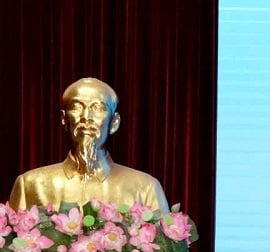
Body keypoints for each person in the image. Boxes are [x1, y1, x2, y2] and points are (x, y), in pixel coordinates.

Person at [8, 77, 170, 212]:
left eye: (98, 108)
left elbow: (167, 249)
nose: (87, 117)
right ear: (64, 119)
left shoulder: (145, 187)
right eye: (77, 107)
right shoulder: (30, 184)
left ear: (114, 122)